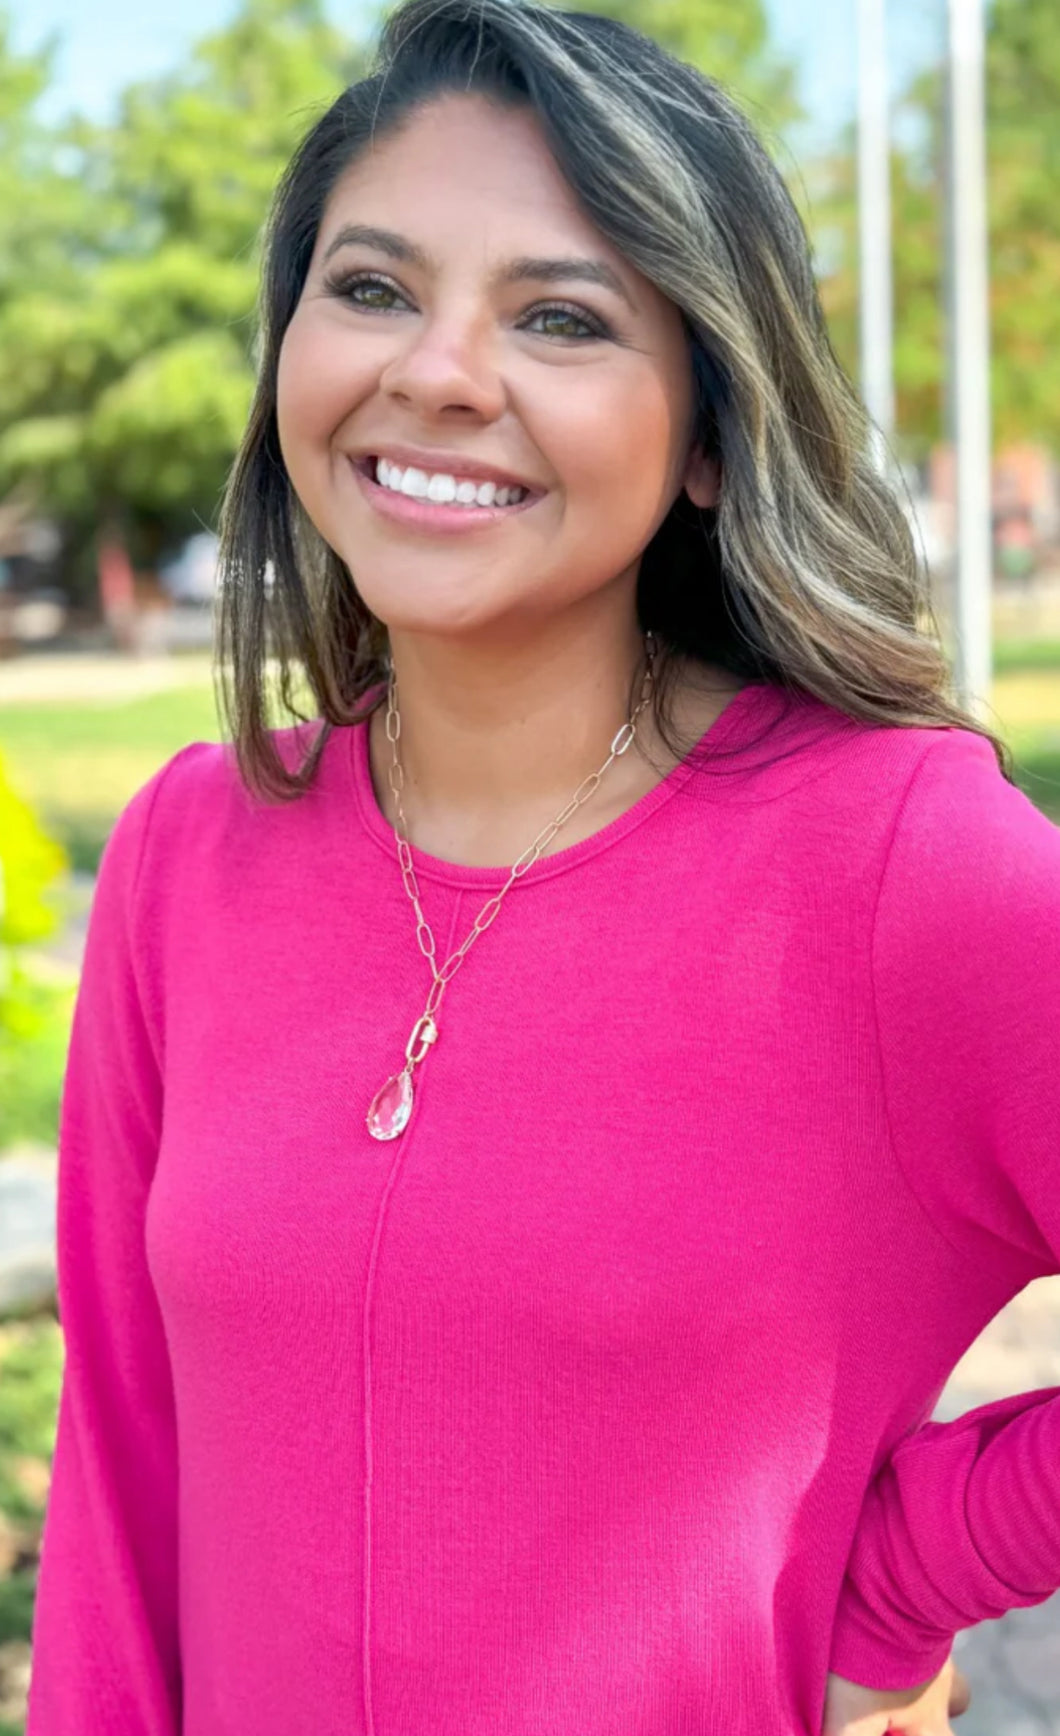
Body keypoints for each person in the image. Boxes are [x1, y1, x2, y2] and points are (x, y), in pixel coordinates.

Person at [27, 0, 1060, 1732]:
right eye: (370, 288)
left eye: (560, 316)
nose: (436, 369)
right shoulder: (186, 852)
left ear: (713, 436)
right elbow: (120, 1483)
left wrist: (895, 1578)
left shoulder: (902, 863)